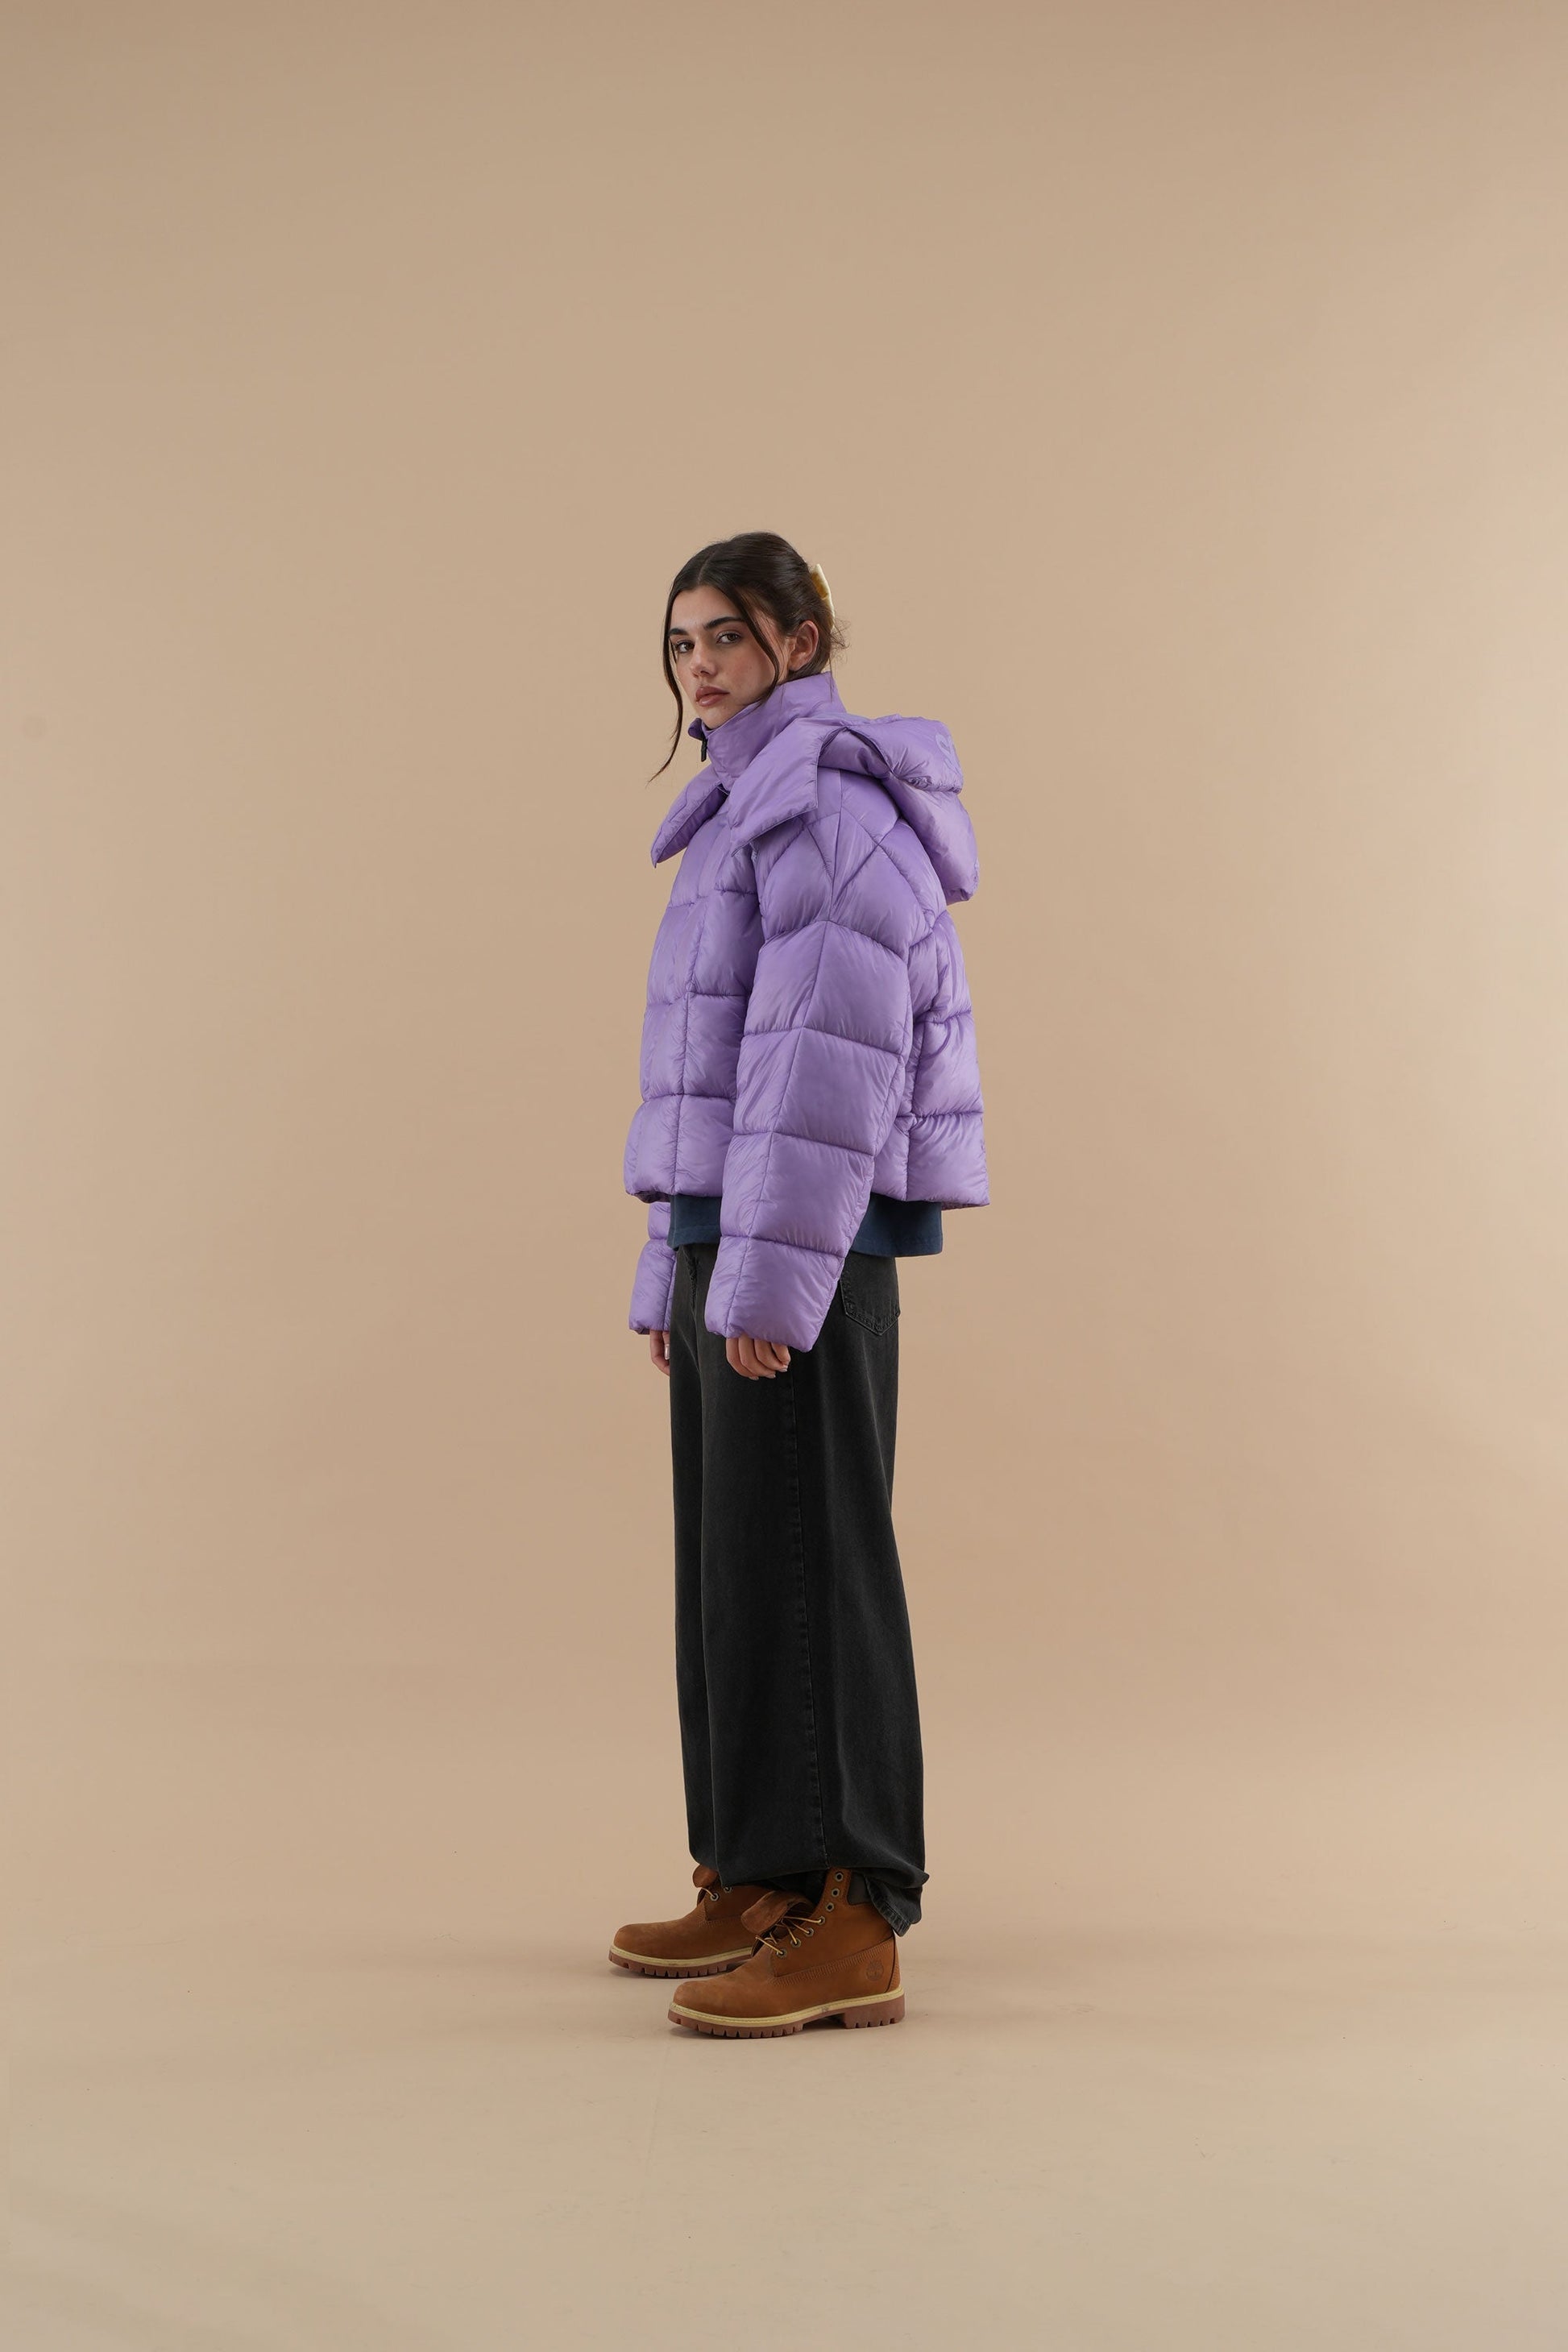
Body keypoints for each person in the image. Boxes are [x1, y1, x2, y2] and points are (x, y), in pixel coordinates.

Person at [612, 530, 989, 2038]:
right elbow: (710, 1068)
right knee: (735, 1565)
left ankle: (855, 1911)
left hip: (806, 1242)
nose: (699, 664)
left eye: (727, 635)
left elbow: (828, 1062)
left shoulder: (826, 800)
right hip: (739, 1228)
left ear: (802, 640)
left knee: (814, 1560)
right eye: (681, 641)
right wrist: (676, 1258)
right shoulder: (738, 803)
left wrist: (767, 1280)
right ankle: (763, 1871)